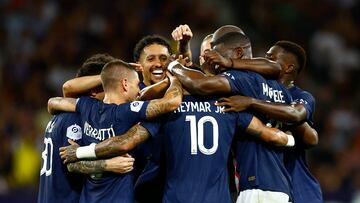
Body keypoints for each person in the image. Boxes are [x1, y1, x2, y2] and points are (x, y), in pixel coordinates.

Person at [59, 82, 295, 203]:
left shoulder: (168, 111)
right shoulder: (227, 106)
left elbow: (125, 143)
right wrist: (290, 138)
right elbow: (270, 135)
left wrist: (81, 153)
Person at [167, 25, 295, 202]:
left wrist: (171, 65)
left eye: (217, 54)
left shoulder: (241, 80)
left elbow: (199, 85)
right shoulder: (281, 89)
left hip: (256, 185)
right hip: (281, 184)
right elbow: (279, 132)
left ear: (238, 53)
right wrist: (290, 139)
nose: (214, 60)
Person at [47, 59, 183, 203]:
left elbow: (53, 103)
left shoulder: (87, 106)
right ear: (125, 84)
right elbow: (172, 102)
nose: (139, 91)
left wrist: (108, 76)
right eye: (137, 85)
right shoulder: (127, 112)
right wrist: (175, 80)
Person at [215, 41, 323, 203]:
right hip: (265, 183)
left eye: (270, 58)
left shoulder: (299, 95)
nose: (264, 61)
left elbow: (310, 137)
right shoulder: (255, 88)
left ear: (288, 68)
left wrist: (252, 103)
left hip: (300, 187)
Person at [37, 54, 135, 203]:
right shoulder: (76, 119)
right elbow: (71, 163)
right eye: (108, 87)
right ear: (94, 91)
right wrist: (108, 165)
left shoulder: (62, 115)